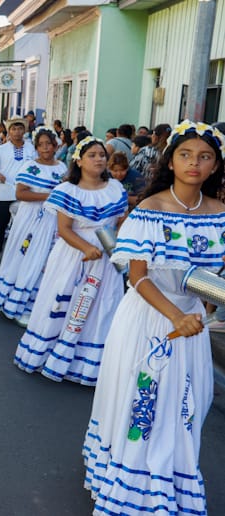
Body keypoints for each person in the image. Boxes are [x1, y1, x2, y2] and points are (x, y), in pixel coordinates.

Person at [83, 121, 225, 515]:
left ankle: (170, 485)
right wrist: (177, 316)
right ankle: (131, 487)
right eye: (185, 154)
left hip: (191, 322)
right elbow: (137, 277)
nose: (194, 163)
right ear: (171, 161)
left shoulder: (221, 214)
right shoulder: (150, 209)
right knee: (142, 401)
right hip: (148, 318)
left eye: (204, 156)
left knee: (187, 405)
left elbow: (217, 277)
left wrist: (206, 307)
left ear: (215, 166)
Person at [14, 137, 127, 385]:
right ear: (78, 160)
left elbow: (121, 220)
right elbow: (64, 229)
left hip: (106, 256)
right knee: (63, 302)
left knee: (101, 306)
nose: (99, 159)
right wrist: (87, 247)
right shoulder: (66, 190)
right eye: (92, 155)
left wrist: (115, 243)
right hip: (73, 256)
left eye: (101, 155)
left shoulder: (115, 188)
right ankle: (53, 355)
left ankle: (88, 364)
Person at [0, 126, 66, 326]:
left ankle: (35, 306)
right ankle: (15, 304)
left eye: (49, 144)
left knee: (45, 263)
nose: (46, 148)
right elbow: (21, 194)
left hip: (54, 221)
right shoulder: (31, 166)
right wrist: (50, 196)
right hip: (32, 219)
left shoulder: (62, 168)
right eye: (42, 145)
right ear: (37, 148)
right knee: (28, 257)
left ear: (56, 146)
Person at [0, 118, 37, 260]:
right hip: (5, 192)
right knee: (0, 223)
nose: (17, 132)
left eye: (20, 129)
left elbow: (37, 167)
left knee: (23, 224)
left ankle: (19, 252)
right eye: (13, 129)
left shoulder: (31, 148)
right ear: (9, 131)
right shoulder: (2, 149)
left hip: (25, 192)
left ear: (24, 131)